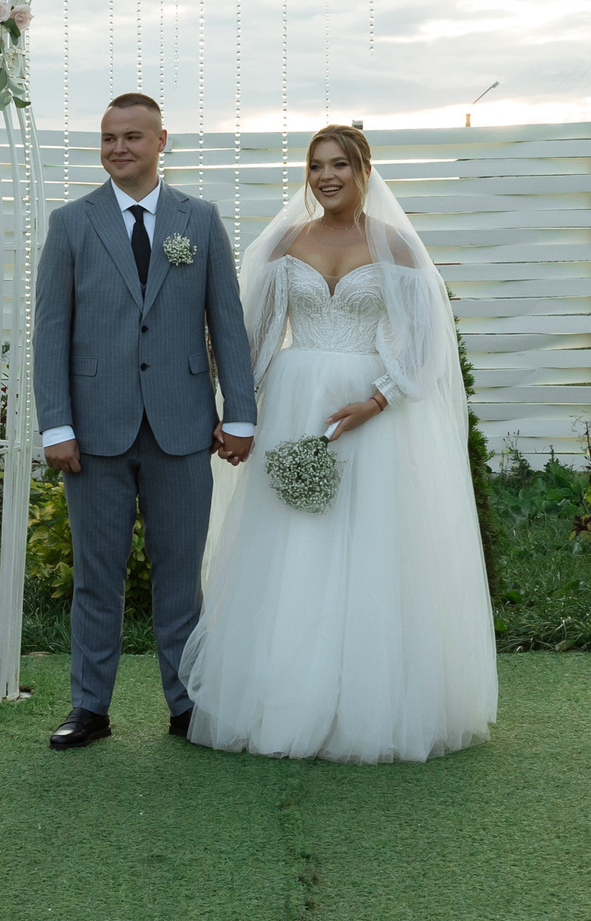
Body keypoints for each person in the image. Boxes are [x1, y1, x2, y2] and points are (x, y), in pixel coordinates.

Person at [181, 125, 497, 763]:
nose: (327, 177)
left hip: (368, 410)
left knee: (371, 548)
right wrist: (238, 412)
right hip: (295, 406)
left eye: (340, 166)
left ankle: (368, 706)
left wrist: (376, 399)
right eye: (317, 166)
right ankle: (283, 698)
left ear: (363, 171)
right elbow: (256, 337)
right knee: (291, 546)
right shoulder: (285, 242)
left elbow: (424, 346)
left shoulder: (397, 247)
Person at [34, 93, 257, 750]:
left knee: (181, 577)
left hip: (183, 428)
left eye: (132, 136)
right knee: (96, 577)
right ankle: (90, 707)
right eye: (108, 138)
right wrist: (56, 424)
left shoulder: (201, 220)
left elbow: (228, 325)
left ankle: (187, 706)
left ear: (163, 141)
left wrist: (239, 413)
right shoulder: (72, 224)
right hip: (94, 433)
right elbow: (50, 333)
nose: (118, 147)